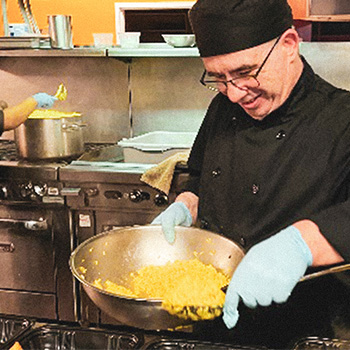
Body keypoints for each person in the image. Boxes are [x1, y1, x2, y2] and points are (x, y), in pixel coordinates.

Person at [152, 0, 350, 347]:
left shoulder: (342, 119)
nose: (234, 92)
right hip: (214, 324)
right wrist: (187, 202)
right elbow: (198, 173)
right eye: (218, 78)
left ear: (289, 44)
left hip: (307, 330)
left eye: (245, 72)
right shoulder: (223, 107)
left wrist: (301, 244)